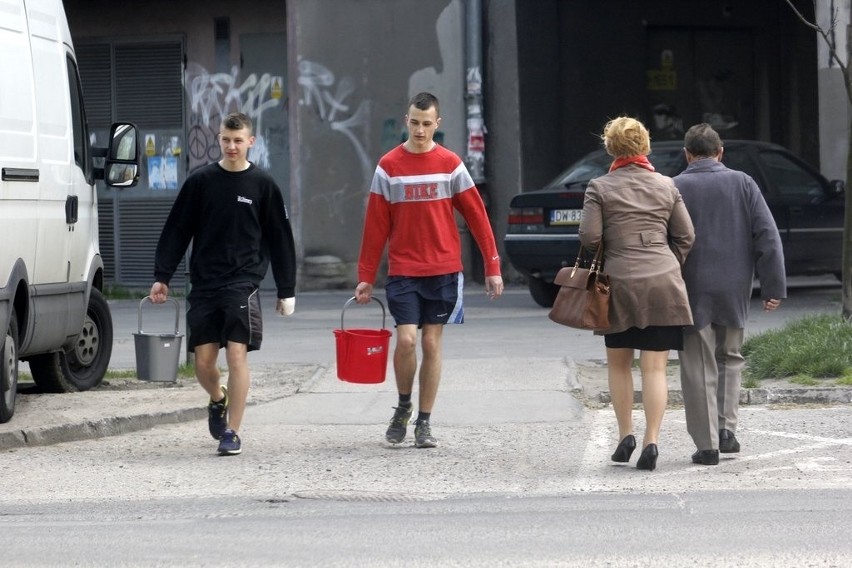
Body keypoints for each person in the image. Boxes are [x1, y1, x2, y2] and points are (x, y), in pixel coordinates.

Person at [355, 91, 504, 448]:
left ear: (437, 124)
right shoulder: (388, 166)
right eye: (414, 122)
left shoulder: (450, 163)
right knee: (406, 339)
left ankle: (424, 422)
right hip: (404, 269)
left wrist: (492, 265)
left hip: (443, 268)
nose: (420, 130)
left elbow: (477, 216)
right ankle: (403, 406)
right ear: (406, 121)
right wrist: (365, 276)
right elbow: (375, 225)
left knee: (431, 343)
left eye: (427, 124)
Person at [150, 112, 297, 456]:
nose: (232, 146)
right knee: (203, 363)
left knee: (236, 355)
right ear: (219, 140)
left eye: (238, 140)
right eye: (226, 140)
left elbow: (280, 238)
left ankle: (233, 431)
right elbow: (177, 229)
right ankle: (218, 399)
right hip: (204, 282)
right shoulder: (200, 182)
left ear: (251, 142)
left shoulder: (263, 185)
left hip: (243, 282)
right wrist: (162, 276)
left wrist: (287, 289)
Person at [578, 116, 695, 471]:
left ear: (610, 147)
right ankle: (652, 441)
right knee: (655, 367)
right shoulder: (666, 184)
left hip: (620, 283)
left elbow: (589, 237)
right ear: (644, 146)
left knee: (619, 363)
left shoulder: (599, 187)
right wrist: (665, 261)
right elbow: (686, 235)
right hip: (663, 281)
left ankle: (625, 434)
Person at [673, 123, 785, 466]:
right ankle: (727, 431)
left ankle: (706, 445)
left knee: (696, 365)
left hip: (690, 287)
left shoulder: (675, 186)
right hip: (735, 286)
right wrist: (773, 286)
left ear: (687, 154)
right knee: (731, 357)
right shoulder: (743, 182)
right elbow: (767, 234)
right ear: (721, 152)